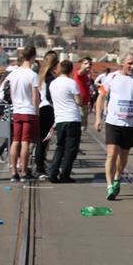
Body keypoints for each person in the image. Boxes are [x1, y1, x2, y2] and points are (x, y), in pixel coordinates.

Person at [94, 53, 133, 200]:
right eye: (129, 63)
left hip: (131, 124)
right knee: (111, 154)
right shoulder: (112, 77)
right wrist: (98, 118)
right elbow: (101, 97)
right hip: (113, 122)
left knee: (123, 157)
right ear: (122, 64)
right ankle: (109, 186)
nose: (132, 66)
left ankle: (117, 177)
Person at [7, 46, 40, 181]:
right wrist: (37, 111)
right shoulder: (33, 75)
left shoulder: (14, 73)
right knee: (25, 141)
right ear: (33, 57)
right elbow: (35, 96)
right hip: (29, 111)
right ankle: (24, 171)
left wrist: (16, 104)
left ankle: (14, 172)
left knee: (15, 140)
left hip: (17, 110)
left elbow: (11, 92)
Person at [48, 59, 82, 183]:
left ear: (60, 69)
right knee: (71, 149)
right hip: (72, 118)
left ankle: (53, 172)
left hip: (60, 118)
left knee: (60, 146)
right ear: (71, 70)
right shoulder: (72, 83)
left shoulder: (53, 84)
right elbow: (78, 101)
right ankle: (65, 174)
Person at [34, 50, 58, 179]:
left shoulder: (40, 76)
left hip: (40, 108)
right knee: (43, 141)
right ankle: (40, 168)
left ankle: (40, 165)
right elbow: (49, 96)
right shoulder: (50, 78)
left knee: (41, 140)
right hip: (48, 109)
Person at [74, 57, 92, 130]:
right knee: (80, 125)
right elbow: (80, 72)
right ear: (81, 65)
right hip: (80, 103)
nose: (88, 65)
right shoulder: (78, 74)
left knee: (84, 126)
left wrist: (89, 101)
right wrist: (85, 67)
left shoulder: (87, 76)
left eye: (90, 64)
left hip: (86, 103)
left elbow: (87, 89)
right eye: (85, 63)